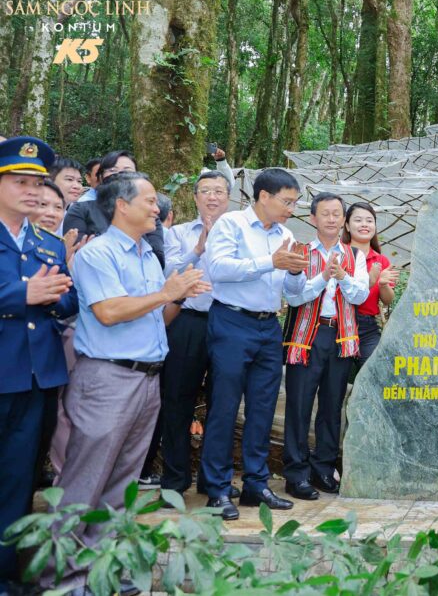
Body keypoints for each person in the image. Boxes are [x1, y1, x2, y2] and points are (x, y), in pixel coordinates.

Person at [49, 172, 207, 592]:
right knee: (83, 482)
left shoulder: (147, 255)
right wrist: (165, 292)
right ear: (122, 205)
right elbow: (109, 311)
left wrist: (177, 296)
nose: (157, 209)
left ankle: (103, 570)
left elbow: (156, 317)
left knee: (122, 484)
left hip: (147, 380)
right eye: (150, 201)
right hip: (106, 379)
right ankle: (64, 578)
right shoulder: (98, 254)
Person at [200, 168, 308, 520]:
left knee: (262, 406)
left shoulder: (286, 234)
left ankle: (256, 484)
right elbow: (218, 269)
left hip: (267, 326)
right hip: (231, 321)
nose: (291, 209)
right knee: (225, 406)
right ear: (264, 196)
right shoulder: (231, 224)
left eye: (294, 202)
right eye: (287, 201)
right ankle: (217, 488)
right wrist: (270, 261)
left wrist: (293, 272)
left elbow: (292, 296)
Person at [0, 136, 76, 594]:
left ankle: (7, 574)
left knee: (17, 481)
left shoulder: (47, 242)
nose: (32, 191)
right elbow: (23, 295)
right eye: (20, 181)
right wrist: (18, 296)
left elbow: (67, 298)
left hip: (35, 378)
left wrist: (57, 296)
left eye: (37, 183)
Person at [282, 193, 369, 500]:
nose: (332, 219)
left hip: (341, 338)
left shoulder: (354, 255)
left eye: (337, 214)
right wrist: (322, 277)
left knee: (332, 407)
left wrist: (342, 276)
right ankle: (296, 474)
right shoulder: (300, 252)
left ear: (343, 219)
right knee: (299, 405)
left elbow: (359, 296)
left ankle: (323, 468)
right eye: (326, 214)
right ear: (313, 219)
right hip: (307, 338)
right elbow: (293, 297)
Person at [158, 171, 233, 499]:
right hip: (187, 321)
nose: (212, 197)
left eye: (219, 191)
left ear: (228, 197)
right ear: (195, 196)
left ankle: (214, 481)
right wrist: (198, 248)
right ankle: (174, 481)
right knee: (177, 400)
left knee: (223, 402)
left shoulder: (239, 233)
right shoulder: (175, 233)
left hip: (229, 322)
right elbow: (166, 274)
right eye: (206, 191)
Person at [64, 151, 166, 267]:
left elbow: (157, 259)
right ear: (100, 177)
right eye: (112, 170)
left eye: (127, 170)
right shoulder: (81, 210)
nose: (120, 175)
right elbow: (78, 256)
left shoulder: (149, 215)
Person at [342, 202, 399, 378]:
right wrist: (369, 280)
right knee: (335, 379)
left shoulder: (381, 261)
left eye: (369, 220)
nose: (364, 224)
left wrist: (382, 284)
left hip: (367, 326)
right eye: (358, 220)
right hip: (340, 324)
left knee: (374, 373)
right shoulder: (339, 255)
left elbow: (388, 300)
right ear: (347, 225)